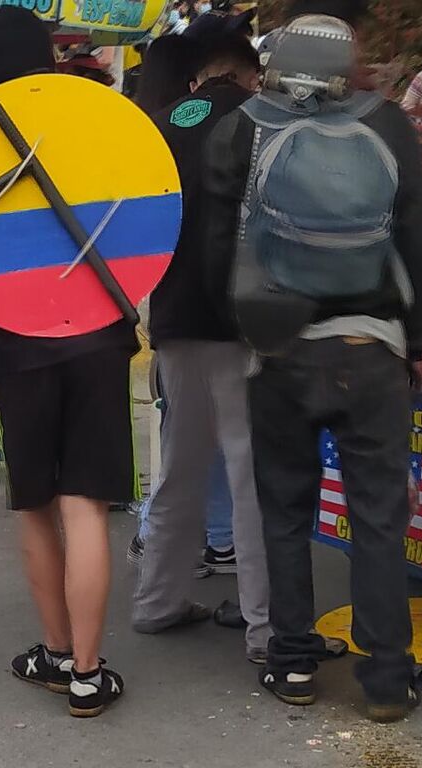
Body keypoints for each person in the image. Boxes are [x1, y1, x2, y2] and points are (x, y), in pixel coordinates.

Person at [205, 0, 422, 723]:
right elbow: (417, 246)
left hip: (279, 352)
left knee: (283, 510)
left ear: (277, 62)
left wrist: (243, 327)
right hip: (373, 351)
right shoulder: (388, 124)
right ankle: (388, 678)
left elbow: (216, 247)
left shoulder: (239, 128)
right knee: (376, 516)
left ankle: (294, 663)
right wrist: (420, 338)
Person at [0, 6, 132, 719]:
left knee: (34, 502)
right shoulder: (94, 118)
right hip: (93, 328)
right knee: (86, 501)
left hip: (15, 337)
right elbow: (138, 213)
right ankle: (89, 674)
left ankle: (56, 652)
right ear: (49, 56)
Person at [130, 34, 275, 664]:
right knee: (249, 472)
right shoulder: (264, 124)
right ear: (246, 71)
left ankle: (157, 601)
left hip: (177, 315)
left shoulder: (160, 128)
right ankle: (262, 623)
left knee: (180, 465)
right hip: (246, 319)